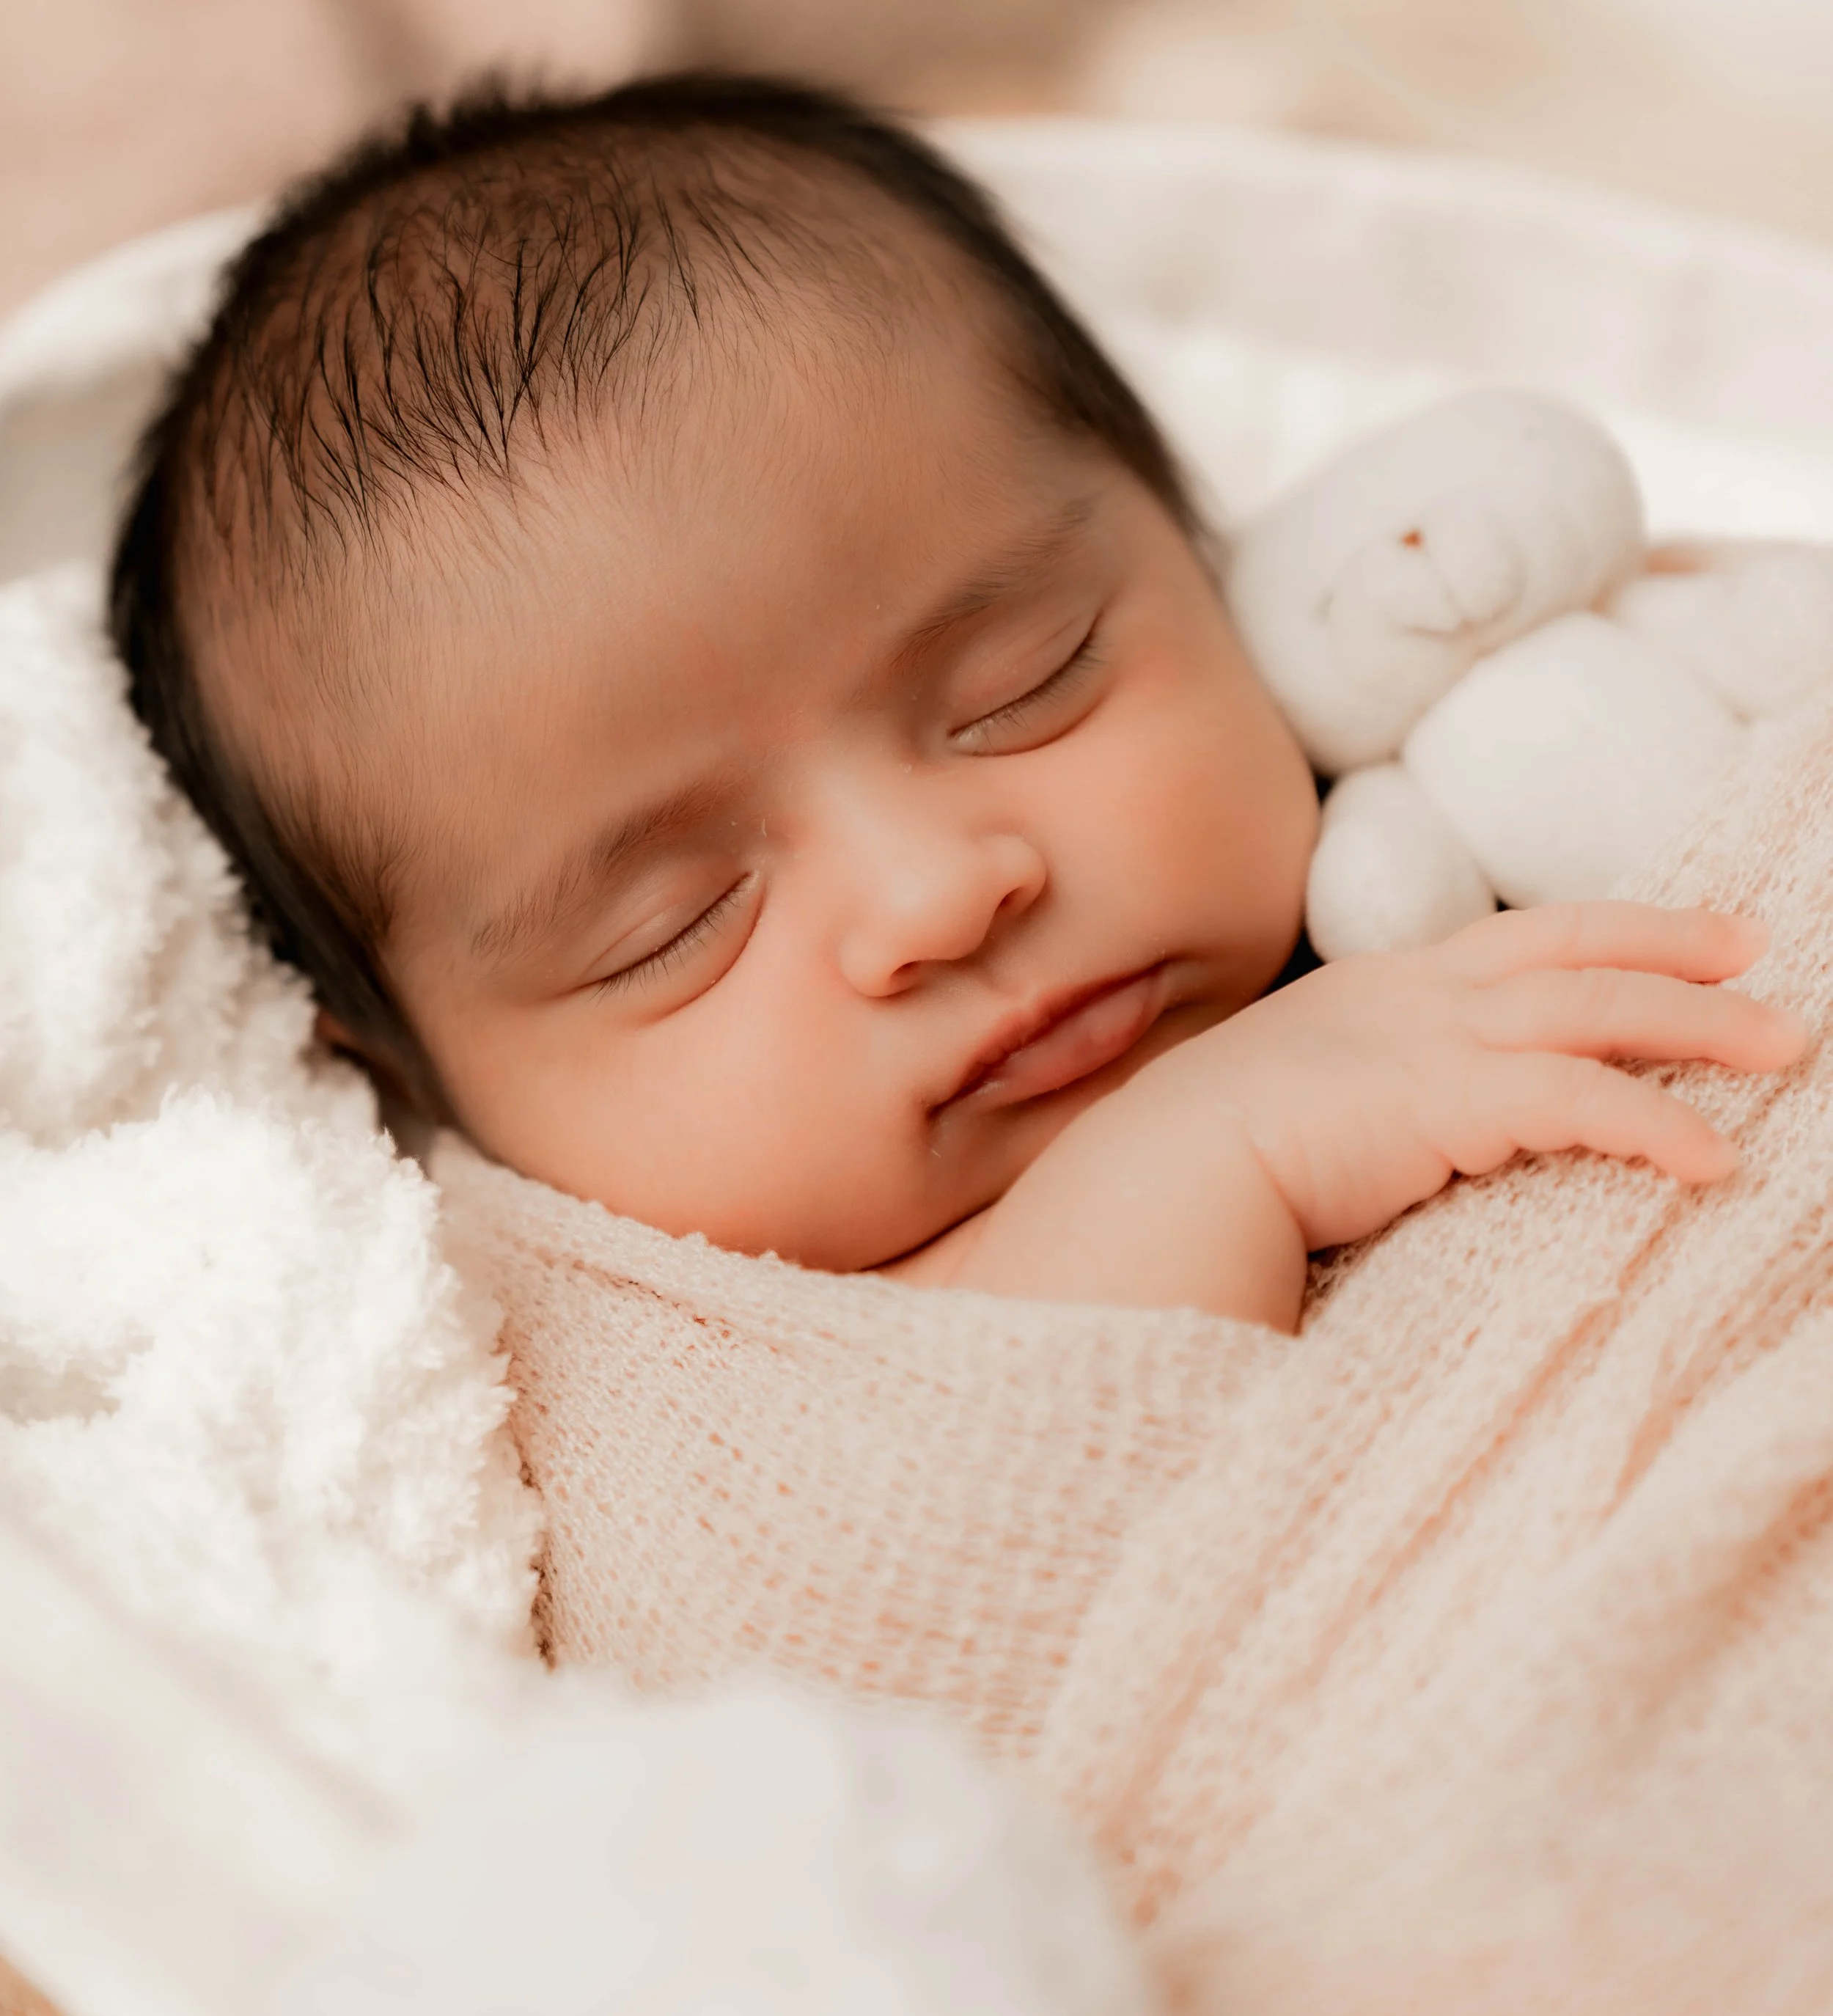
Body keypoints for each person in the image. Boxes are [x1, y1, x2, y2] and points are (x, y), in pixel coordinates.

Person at [109, 76, 1805, 1331]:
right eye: (673, 923)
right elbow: (981, 1575)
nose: (943, 893)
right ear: (406, 1078)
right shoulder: (641, 1347)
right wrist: (1215, 1152)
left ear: (1189, 540)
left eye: (1022, 684)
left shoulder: (1455, 780)